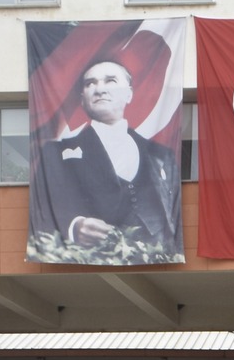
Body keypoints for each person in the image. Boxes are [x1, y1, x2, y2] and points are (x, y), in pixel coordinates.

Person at [29, 56, 184, 261]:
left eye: (110, 81)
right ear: (82, 98)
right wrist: (75, 227)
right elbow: (43, 207)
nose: (99, 89)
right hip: (90, 261)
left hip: (155, 261)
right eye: (90, 83)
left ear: (129, 94)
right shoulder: (55, 154)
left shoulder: (161, 156)